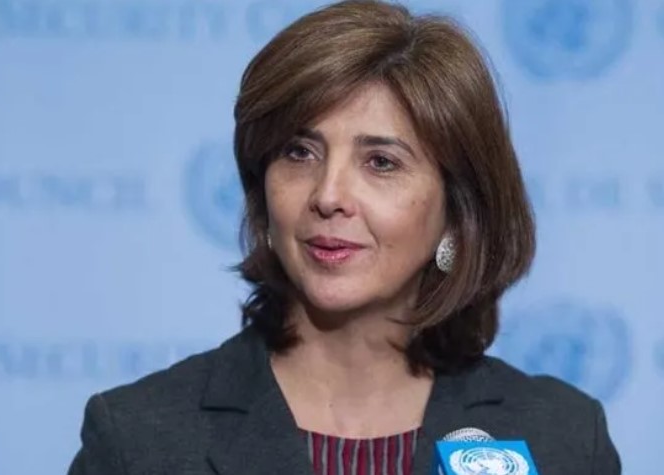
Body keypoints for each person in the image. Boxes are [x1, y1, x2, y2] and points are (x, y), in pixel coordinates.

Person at [67, 1, 621, 474]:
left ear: (458, 212)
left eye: (380, 162)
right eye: (299, 152)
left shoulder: (564, 439)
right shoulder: (139, 440)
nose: (328, 195)